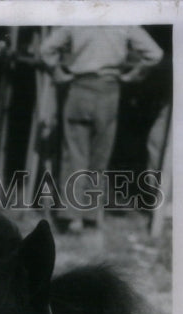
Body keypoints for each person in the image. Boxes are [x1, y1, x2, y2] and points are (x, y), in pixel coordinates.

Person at [40, 25, 163, 232]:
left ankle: (73, 218)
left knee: (75, 154)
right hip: (109, 90)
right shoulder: (124, 20)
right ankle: (92, 215)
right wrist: (135, 74)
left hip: (79, 88)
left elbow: (46, 49)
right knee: (100, 157)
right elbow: (155, 54)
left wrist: (57, 71)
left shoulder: (77, 17)